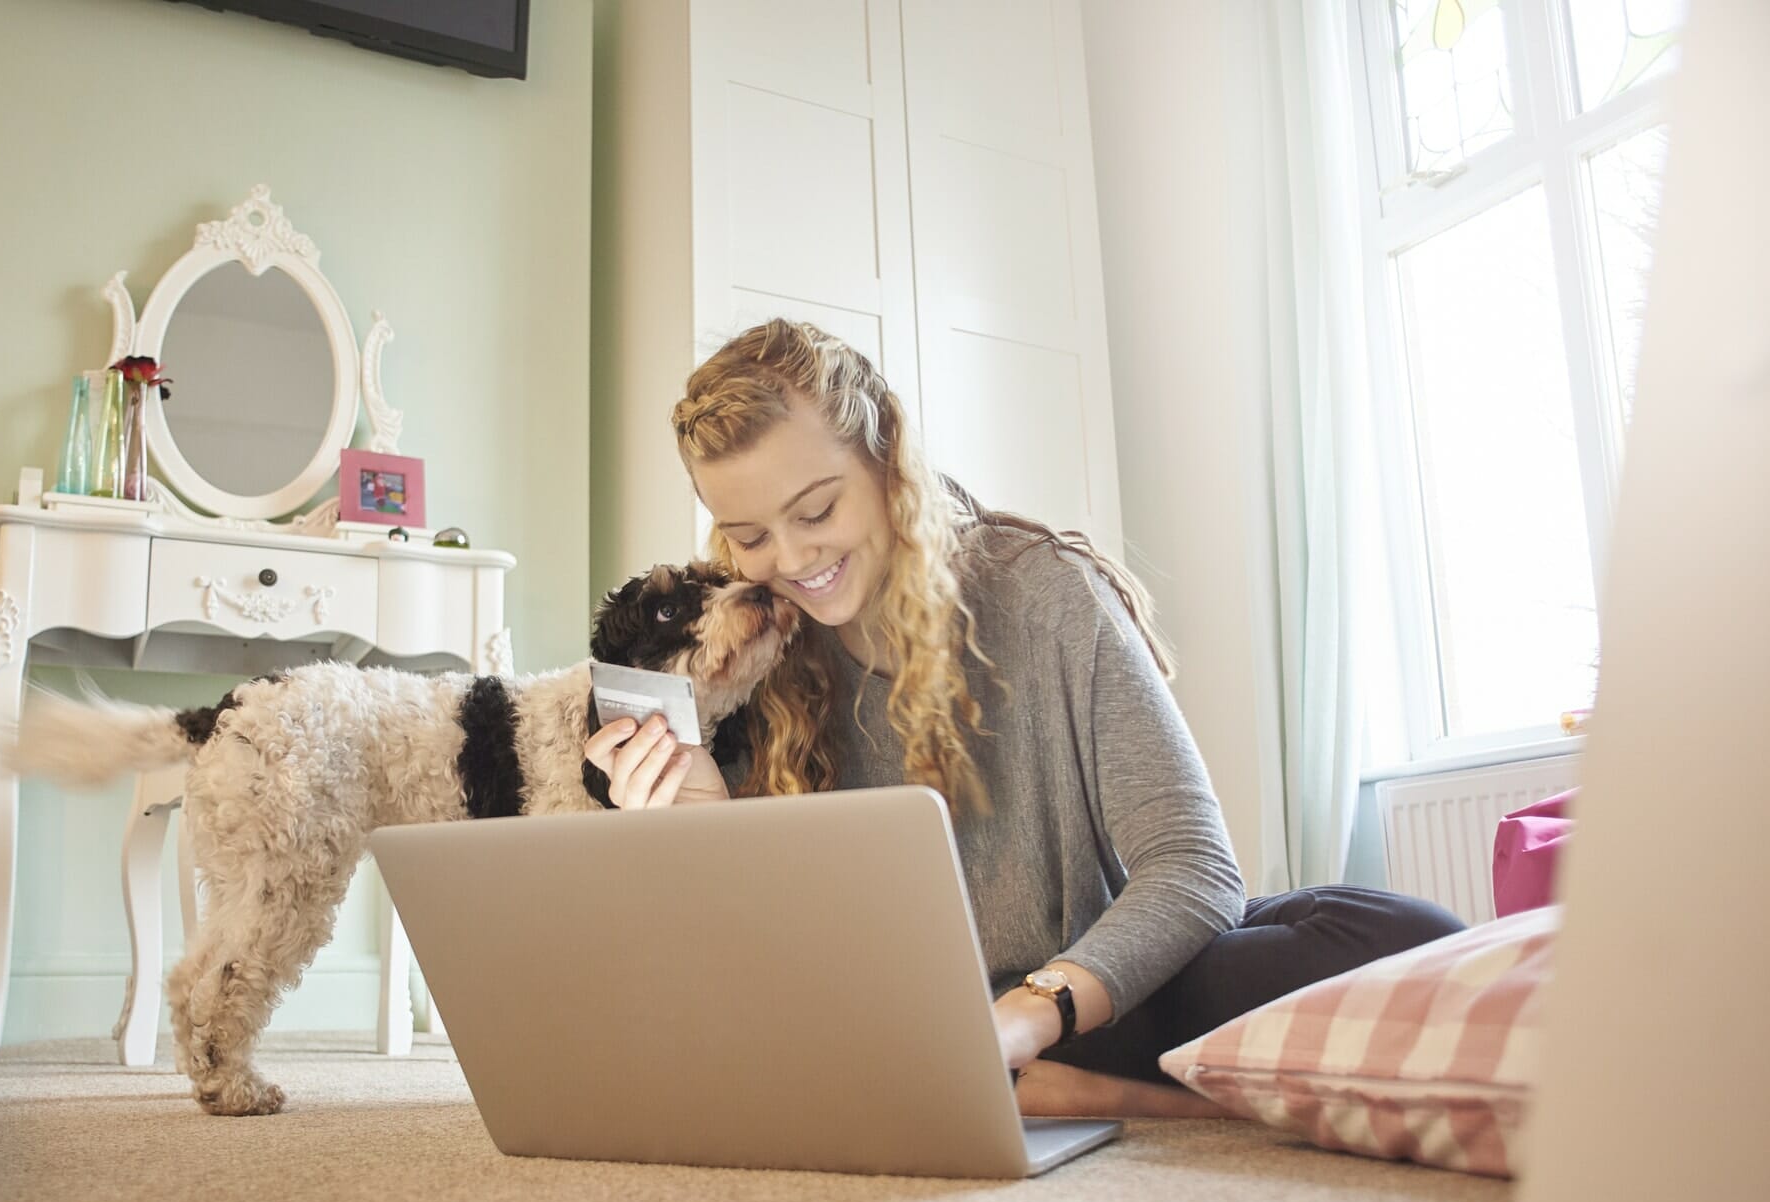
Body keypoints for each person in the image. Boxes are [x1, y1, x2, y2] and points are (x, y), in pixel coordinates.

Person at [585, 319, 1464, 1119]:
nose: (791, 559)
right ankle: (1161, 1099)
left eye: (816, 511)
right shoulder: (754, 652)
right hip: (907, 1029)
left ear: (887, 461)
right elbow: (761, 970)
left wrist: (1028, 1014)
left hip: (1076, 994)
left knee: (1400, 939)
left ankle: (1100, 1089)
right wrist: (703, 819)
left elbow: (1193, 866)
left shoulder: (1039, 591)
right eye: (748, 536)